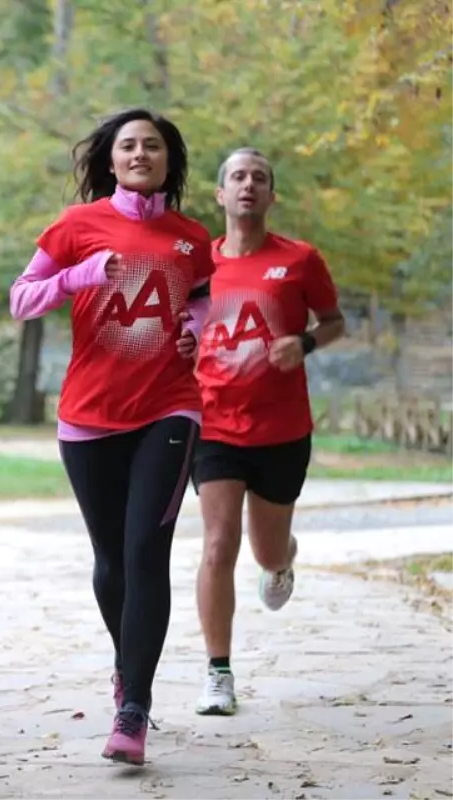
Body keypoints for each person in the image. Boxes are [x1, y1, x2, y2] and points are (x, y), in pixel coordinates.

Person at [9, 108, 215, 766]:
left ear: (167, 159)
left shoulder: (191, 237)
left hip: (169, 407)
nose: (140, 154)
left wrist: (197, 330)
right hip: (90, 414)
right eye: (128, 145)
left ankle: (134, 708)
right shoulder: (76, 227)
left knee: (146, 552)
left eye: (152, 146)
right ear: (109, 159)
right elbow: (21, 298)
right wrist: (76, 276)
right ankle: (129, 666)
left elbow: (207, 302)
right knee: (111, 562)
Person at [192, 148, 345, 716]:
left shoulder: (300, 260)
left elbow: (334, 323)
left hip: (281, 428)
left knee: (264, 548)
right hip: (214, 424)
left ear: (271, 195)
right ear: (221, 195)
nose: (248, 185)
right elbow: (177, 330)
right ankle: (218, 672)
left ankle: (281, 560)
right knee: (217, 542)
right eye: (237, 176)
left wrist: (302, 343)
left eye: (259, 177)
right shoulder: (197, 267)